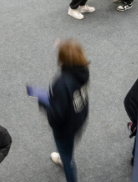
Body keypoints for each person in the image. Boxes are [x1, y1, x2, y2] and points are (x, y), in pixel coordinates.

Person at [38, 40, 90, 182]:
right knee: (68, 147)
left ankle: (65, 160)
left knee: (68, 158)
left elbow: (56, 116)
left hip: (66, 127)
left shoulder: (61, 83)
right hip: (80, 116)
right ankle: (64, 155)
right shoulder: (84, 70)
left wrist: (43, 102)